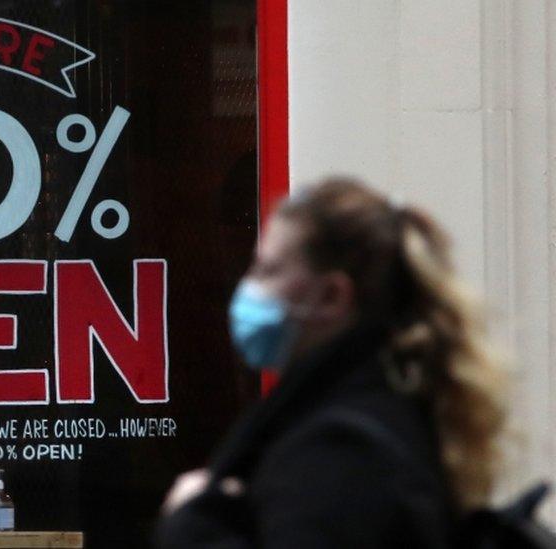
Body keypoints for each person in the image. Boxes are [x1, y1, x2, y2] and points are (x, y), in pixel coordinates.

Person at [156, 177, 508, 548]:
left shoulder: (345, 452)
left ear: (331, 296)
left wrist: (193, 524)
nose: (248, 289)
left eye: (268, 270)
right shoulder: (370, 410)